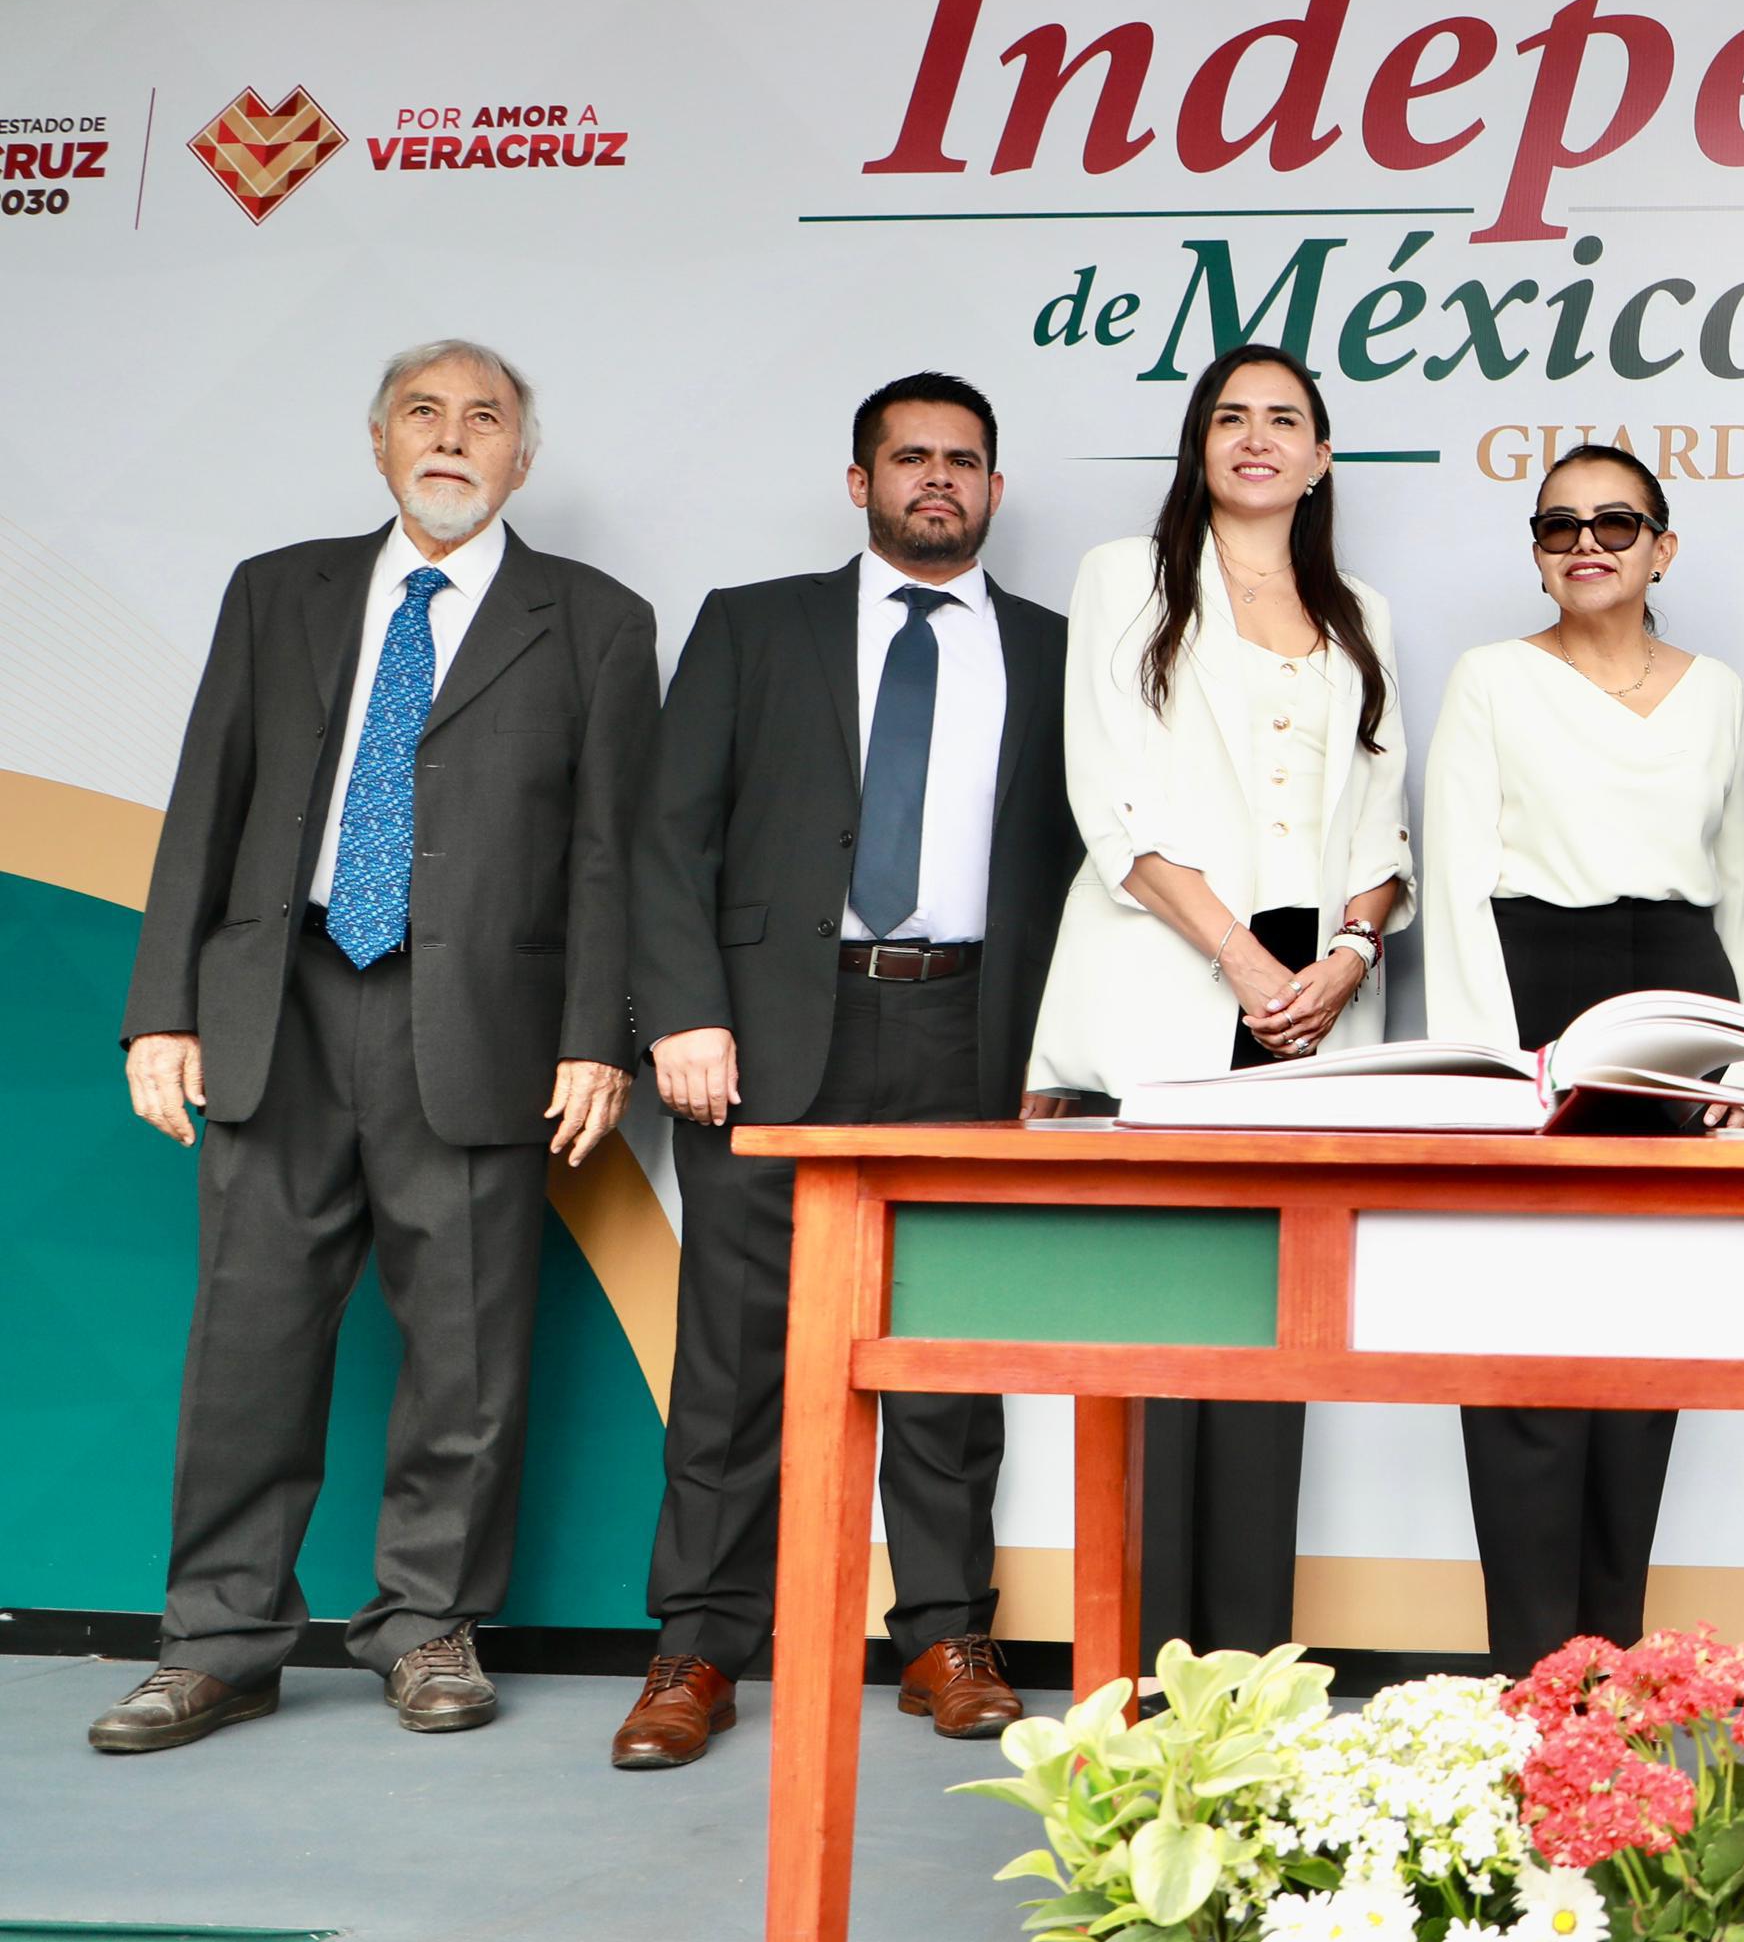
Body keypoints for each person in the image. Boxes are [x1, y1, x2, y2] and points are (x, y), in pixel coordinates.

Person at [94, 341, 657, 1753]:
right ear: (379, 439)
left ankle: (427, 1628)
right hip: (276, 1007)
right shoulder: (277, 590)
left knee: (466, 1349)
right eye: (424, 412)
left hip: (477, 1027)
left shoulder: (596, 618)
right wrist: (162, 1007)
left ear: (522, 456)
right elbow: (207, 797)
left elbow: (613, 852)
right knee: (247, 1338)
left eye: (484, 418)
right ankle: (216, 1641)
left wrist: (597, 1036)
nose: (452, 436)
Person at [608, 372, 1078, 1770]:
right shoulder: (755, 625)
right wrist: (683, 1013)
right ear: (861, 480)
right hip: (765, 1033)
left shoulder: (1059, 651)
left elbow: (1085, 866)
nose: (938, 477)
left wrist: (1062, 1054)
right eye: (910, 456)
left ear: (995, 488)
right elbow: (667, 833)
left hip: (968, 1030)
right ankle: (697, 1645)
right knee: (736, 1358)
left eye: (962, 459)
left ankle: (945, 1633)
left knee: (950, 1353)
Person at [1025, 344, 1412, 1663]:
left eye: (1284, 419)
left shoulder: (1361, 609)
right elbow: (1112, 802)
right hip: (1173, 985)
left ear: (1320, 456)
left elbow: (1385, 820)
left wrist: (1348, 955)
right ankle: (1141, 1685)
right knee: (1157, 1340)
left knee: (1273, 1344)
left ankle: (1255, 1680)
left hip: (1315, 1013)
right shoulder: (1125, 579)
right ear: (1199, 445)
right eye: (1230, 416)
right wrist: (1244, 962)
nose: (1257, 437)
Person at [1417, 442, 1744, 1678]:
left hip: (1680, 1016)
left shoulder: (1716, 691)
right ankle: (1533, 1677)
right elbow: (1455, 878)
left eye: (1616, 522)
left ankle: (1612, 1674)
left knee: (1644, 1354)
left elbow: (1741, 881)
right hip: (1534, 1009)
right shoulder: (1490, 678)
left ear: (1661, 547)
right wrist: (1490, 1075)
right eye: (1559, 524)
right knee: (1518, 1357)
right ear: (1535, 551)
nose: (1586, 542)